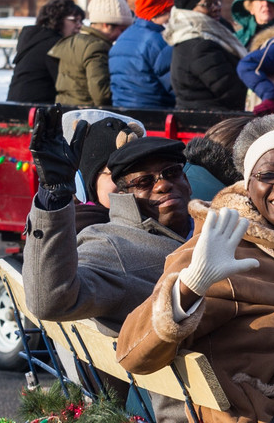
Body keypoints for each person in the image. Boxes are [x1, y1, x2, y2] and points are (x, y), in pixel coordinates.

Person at [114, 114, 274, 423]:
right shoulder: (218, 243)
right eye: (269, 174)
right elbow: (131, 352)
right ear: (248, 183)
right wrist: (191, 284)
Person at [23, 108, 193, 423]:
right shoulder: (113, 245)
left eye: (171, 172)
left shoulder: (207, 226)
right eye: (144, 181)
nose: (162, 185)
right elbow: (49, 299)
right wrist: (55, 196)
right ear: (123, 195)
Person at [165, 0, 248, 111]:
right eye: (208, 4)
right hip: (210, 119)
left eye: (217, 2)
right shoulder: (199, 45)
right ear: (190, 11)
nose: (216, 7)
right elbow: (230, 91)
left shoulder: (207, 36)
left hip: (205, 114)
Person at [50, 0, 132, 106]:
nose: (121, 36)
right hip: (86, 117)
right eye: (121, 30)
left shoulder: (74, 40)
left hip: (66, 111)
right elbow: (101, 95)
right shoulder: (97, 47)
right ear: (106, 25)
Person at [108, 0, 178, 111]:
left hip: (122, 114)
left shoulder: (123, 37)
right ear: (160, 12)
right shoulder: (161, 42)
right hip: (155, 115)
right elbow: (175, 88)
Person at [6, 0, 85, 103]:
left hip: (15, 107)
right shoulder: (54, 45)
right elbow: (70, 86)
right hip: (36, 111)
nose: (79, 25)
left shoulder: (35, 40)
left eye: (81, 21)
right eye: (74, 20)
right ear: (58, 19)